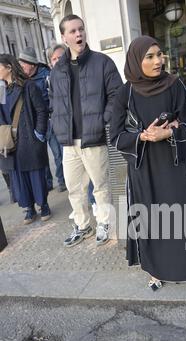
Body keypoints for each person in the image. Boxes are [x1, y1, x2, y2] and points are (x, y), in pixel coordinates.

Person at [110, 36, 186, 290]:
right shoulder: (125, 93)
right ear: (136, 60)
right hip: (143, 167)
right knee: (151, 219)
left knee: (179, 214)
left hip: (172, 164)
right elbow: (115, 137)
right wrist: (142, 136)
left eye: (160, 55)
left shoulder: (174, 85)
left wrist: (168, 134)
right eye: (150, 57)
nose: (158, 61)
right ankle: (155, 270)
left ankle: (184, 266)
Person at [49, 14, 123, 247]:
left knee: (100, 186)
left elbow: (117, 95)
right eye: (72, 31)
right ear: (63, 36)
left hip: (94, 137)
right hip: (69, 141)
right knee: (74, 188)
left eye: (80, 29)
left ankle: (104, 223)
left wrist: (103, 120)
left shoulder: (102, 62)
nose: (78, 34)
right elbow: (53, 102)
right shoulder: (57, 70)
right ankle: (83, 225)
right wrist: (58, 127)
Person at [0, 54, 51, 224]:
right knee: (19, 176)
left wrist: (39, 133)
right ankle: (29, 208)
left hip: (29, 136)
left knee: (36, 174)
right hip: (11, 140)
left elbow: (42, 111)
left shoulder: (28, 86)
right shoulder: (1, 90)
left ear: (8, 67)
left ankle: (43, 205)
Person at [19, 46, 54, 191]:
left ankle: (64, 180)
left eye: (23, 65)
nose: (20, 68)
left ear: (31, 65)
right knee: (40, 155)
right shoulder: (22, 80)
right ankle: (47, 183)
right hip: (34, 122)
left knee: (58, 153)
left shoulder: (46, 74)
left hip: (50, 119)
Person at [46, 44, 67, 193]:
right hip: (53, 124)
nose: (57, 61)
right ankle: (61, 180)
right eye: (54, 59)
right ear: (50, 63)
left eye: (60, 57)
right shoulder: (49, 79)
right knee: (58, 155)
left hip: (71, 126)